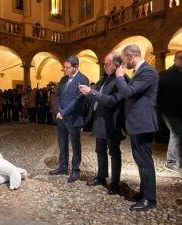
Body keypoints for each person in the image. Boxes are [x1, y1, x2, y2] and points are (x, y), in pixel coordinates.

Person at [115, 44, 158, 211]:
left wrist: (120, 77)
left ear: (130, 56)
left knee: (145, 162)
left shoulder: (147, 71)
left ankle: (150, 199)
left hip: (143, 123)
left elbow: (129, 93)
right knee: (141, 162)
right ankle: (143, 192)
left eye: (124, 59)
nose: (124, 63)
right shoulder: (139, 72)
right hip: (137, 123)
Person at [79, 53, 128, 195]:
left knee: (114, 153)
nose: (104, 66)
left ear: (116, 65)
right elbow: (96, 99)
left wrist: (91, 92)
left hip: (112, 123)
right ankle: (101, 177)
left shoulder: (121, 80)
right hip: (100, 121)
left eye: (107, 64)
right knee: (100, 151)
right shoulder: (103, 80)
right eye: (104, 64)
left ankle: (115, 183)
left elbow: (112, 101)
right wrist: (86, 94)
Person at [49, 56, 89, 183]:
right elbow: (58, 96)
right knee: (62, 143)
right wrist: (59, 111)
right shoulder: (63, 79)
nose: (64, 70)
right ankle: (63, 166)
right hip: (62, 118)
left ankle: (76, 170)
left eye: (67, 67)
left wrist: (64, 112)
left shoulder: (83, 79)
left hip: (74, 118)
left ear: (76, 67)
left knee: (75, 144)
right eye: (64, 67)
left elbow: (78, 100)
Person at [157, 50, 182, 174]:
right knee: (176, 133)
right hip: (170, 111)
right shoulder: (167, 75)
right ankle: (171, 162)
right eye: (180, 58)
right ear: (175, 59)